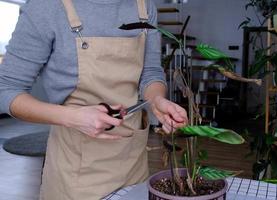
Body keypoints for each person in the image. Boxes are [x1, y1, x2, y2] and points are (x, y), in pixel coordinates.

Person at [0, 0, 188, 199]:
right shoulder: (47, 6)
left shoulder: (143, 6)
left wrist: (156, 100)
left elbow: (150, 72)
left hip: (133, 164)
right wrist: (73, 117)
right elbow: (6, 89)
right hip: (75, 174)